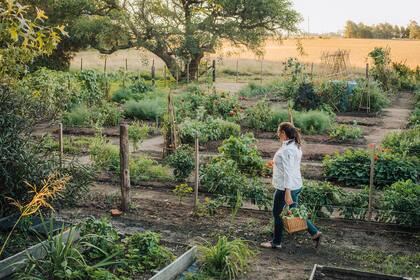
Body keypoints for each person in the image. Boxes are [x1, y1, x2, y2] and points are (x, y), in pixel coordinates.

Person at [261, 122, 321, 249]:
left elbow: (288, 172)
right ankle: (314, 232)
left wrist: (287, 192)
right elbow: (289, 167)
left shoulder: (288, 150)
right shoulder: (294, 146)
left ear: (284, 133)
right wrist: (276, 164)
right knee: (295, 211)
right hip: (296, 185)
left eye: (279, 132)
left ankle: (276, 242)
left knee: (277, 213)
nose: (277, 134)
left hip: (286, 187)